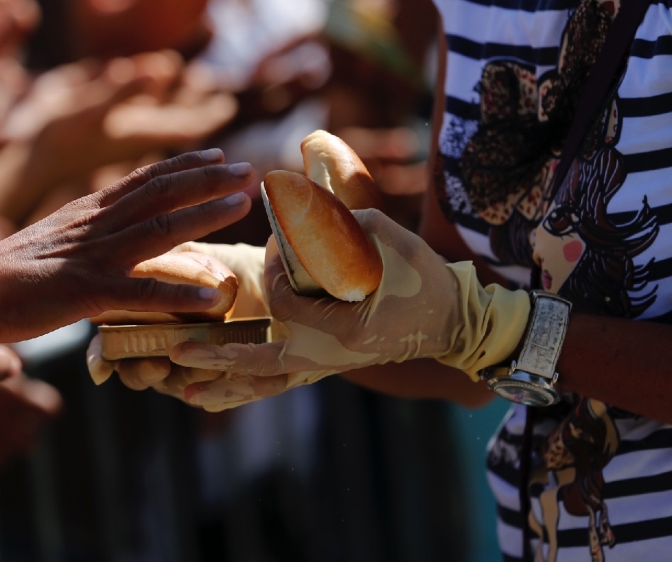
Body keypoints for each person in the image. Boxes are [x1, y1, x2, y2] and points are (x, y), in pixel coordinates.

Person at [91, 0, 672, 560]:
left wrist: (498, 331)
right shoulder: (474, 9)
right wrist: (281, 306)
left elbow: (478, 324)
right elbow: (456, 337)